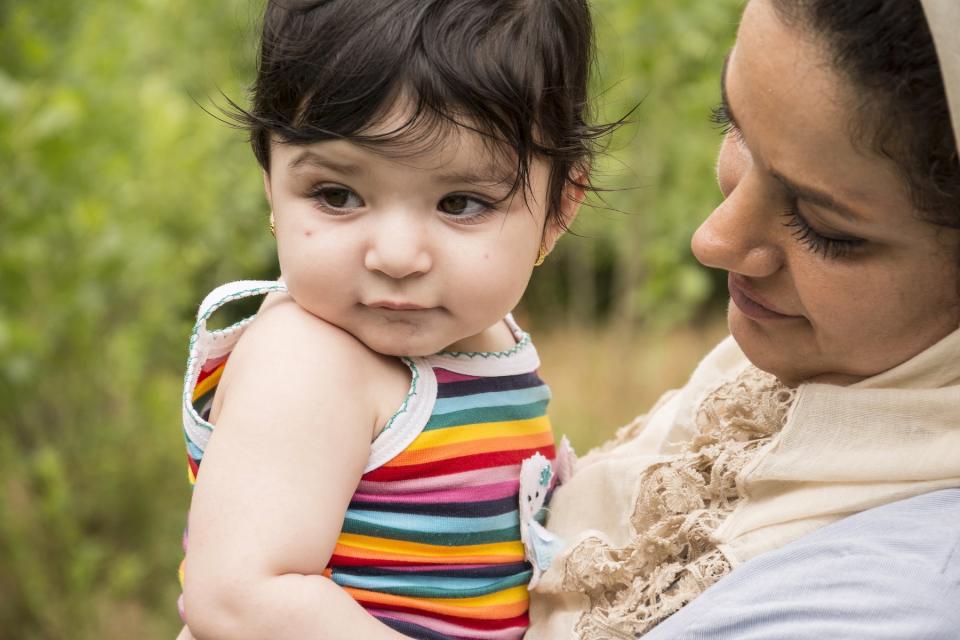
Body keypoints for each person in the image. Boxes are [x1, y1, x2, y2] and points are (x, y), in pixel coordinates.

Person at [175, 1, 612, 639]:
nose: (398, 257)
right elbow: (240, 597)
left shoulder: (484, 339)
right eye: (337, 196)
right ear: (271, 182)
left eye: (460, 203)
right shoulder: (308, 360)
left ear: (560, 207)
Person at [527, 0, 960, 637]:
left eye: (824, 228)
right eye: (733, 122)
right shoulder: (780, 399)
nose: (713, 240)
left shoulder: (878, 603)